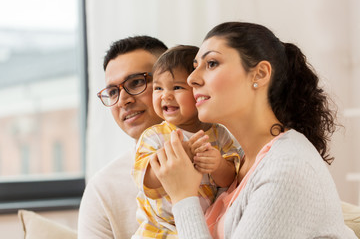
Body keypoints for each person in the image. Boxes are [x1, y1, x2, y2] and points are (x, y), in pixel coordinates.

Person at [149, 22, 357, 238]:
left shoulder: (287, 167)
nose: (192, 79)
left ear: (259, 74)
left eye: (211, 63)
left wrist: (183, 197)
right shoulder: (240, 160)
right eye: (195, 66)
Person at [132, 45, 242, 238]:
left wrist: (218, 165)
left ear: (199, 91)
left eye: (177, 87)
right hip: (158, 230)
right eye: (158, 88)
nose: (165, 95)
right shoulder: (154, 136)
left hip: (202, 227)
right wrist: (180, 154)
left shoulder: (219, 134)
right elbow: (144, 179)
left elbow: (230, 180)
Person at [77, 36, 167, 239]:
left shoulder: (225, 153)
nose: (123, 100)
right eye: (112, 91)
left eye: (136, 82)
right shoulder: (102, 190)